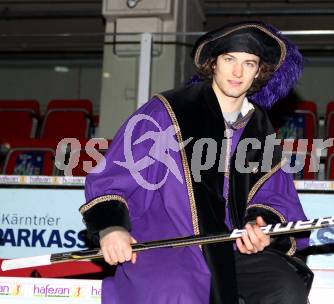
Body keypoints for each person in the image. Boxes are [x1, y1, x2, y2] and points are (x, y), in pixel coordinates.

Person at [80, 21, 313, 304]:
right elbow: (116, 175)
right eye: (229, 59)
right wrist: (112, 227)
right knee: (176, 291)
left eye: (249, 63)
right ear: (213, 63)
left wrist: (260, 226)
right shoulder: (167, 112)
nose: (238, 72)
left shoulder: (259, 129)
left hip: (232, 243)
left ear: (258, 72)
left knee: (285, 288)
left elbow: (274, 195)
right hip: (171, 240)